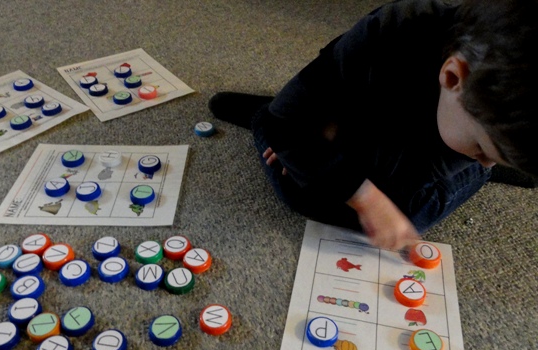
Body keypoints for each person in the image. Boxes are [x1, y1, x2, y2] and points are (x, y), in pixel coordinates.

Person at [209, 0, 538, 250]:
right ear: (453, 78)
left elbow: (404, 184)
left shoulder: (483, 117)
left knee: (406, 217)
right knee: (303, 183)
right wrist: (362, 194)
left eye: (494, 156)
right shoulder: (389, 32)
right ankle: (266, 116)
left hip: (419, 148)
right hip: (367, 113)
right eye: (482, 150)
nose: (484, 160)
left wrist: (328, 163)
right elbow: (290, 126)